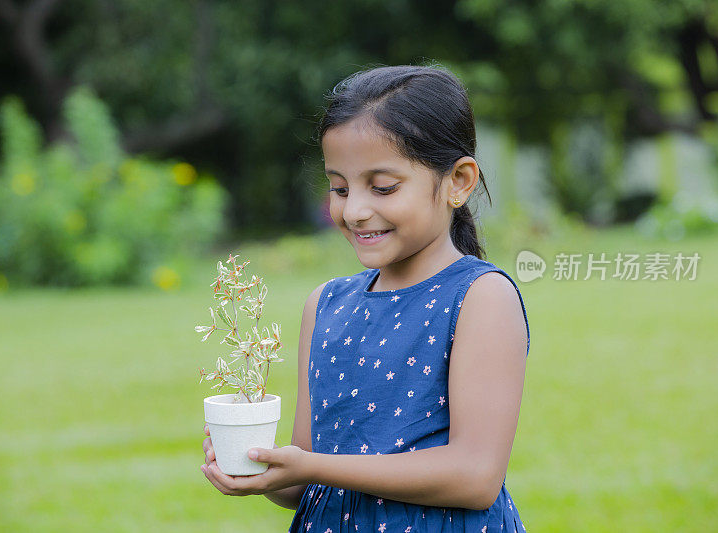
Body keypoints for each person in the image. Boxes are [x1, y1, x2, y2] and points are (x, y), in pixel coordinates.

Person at [201, 63, 531, 532]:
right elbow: (301, 483)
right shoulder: (326, 305)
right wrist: (259, 466)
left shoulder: (481, 297)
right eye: (338, 187)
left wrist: (313, 468)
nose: (354, 210)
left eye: (383, 187)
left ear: (458, 181)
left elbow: (475, 477)